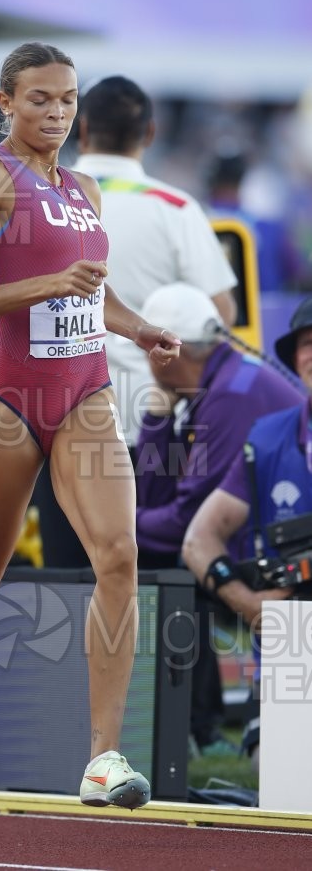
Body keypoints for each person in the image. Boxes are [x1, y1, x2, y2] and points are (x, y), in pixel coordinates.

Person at [0, 42, 182, 809]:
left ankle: (102, 760)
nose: (56, 113)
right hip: (7, 400)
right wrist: (44, 282)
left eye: (67, 100)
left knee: (116, 556)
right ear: (5, 103)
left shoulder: (81, 184)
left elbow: (91, 294)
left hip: (82, 395)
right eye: (40, 100)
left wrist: (138, 328)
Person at [34, 75, 238, 567]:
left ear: (79, 131)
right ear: (149, 132)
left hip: (56, 425)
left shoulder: (39, 202)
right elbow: (220, 318)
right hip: (149, 432)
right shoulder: (176, 209)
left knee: (67, 588)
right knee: (149, 592)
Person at [133, 282, 303, 755]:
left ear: (167, 350)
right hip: (266, 551)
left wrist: (121, 524)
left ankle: (196, 730)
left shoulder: (231, 396)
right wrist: (158, 413)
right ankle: (192, 727)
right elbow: (159, 496)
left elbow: (185, 522)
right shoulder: (223, 383)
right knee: (159, 561)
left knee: (161, 572)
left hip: (280, 566)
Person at [182, 295, 312, 771]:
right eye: (306, 344)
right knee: (270, 766)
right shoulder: (268, 436)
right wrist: (252, 606)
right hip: (289, 644)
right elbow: (198, 541)